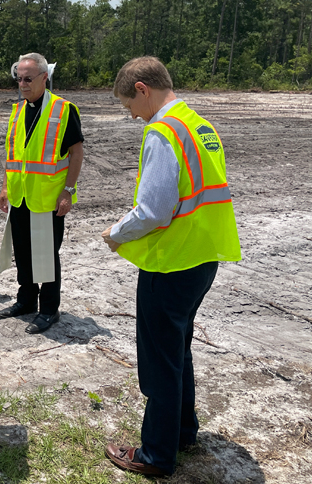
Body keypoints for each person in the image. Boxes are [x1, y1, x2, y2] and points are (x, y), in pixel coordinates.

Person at [101, 56, 242, 477]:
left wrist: (116, 233)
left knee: (160, 360)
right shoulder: (199, 124)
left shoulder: (162, 132)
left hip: (172, 261)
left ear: (143, 89)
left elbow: (153, 211)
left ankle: (155, 455)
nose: (131, 114)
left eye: (129, 104)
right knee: (178, 348)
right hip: (203, 257)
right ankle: (183, 431)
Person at [0, 53, 84, 334]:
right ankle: (26, 301)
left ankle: (49, 309)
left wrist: (68, 191)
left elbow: (76, 152)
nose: (22, 84)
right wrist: (4, 188)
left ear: (44, 78)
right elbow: (13, 154)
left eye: (28, 78)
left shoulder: (63, 110)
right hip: (20, 196)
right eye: (18, 78)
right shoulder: (18, 109)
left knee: (46, 255)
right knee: (23, 253)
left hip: (47, 198)